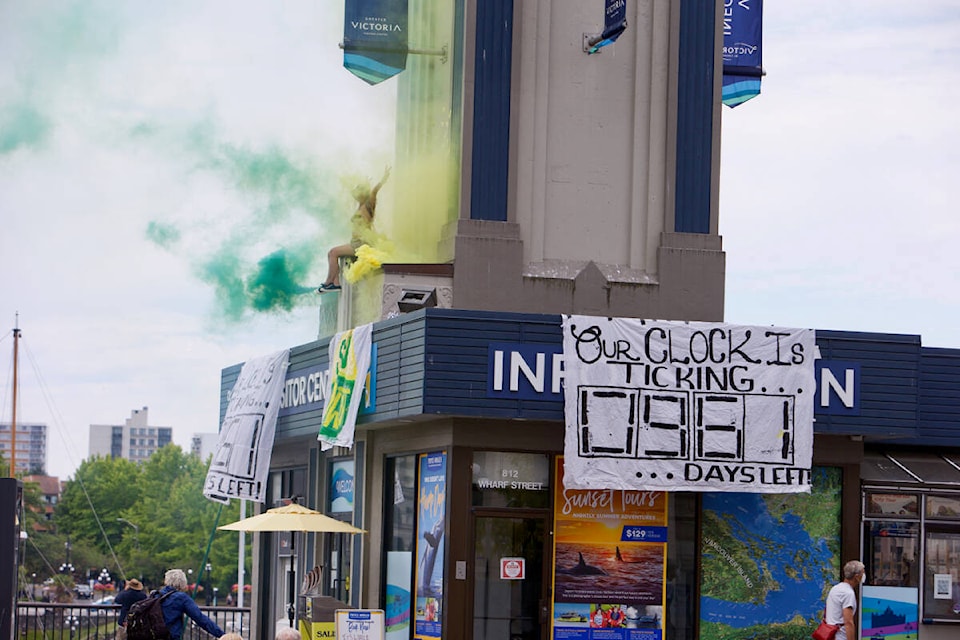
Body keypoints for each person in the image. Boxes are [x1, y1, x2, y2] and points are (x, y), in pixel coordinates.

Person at [318, 165, 391, 292]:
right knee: (337, 255)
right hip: (355, 242)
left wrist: (383, 179)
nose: (356, 195)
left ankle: (329, 282)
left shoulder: (368, 205)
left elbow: (374, 191)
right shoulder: (360, 206)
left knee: (333, 253)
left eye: (359, 192)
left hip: (362, 243)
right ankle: (335, 283)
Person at [157, 569, 225, 640]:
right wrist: (222, 634)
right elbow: (200, 618)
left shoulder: (156, 595)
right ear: (183, 583)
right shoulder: (181, 598)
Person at [825, 560, 866, 640]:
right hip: (840, 636)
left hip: (830, 634)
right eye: (862, 573)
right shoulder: (848, 593)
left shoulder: (835, 588)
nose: (864, 576)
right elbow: (848, 622)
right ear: (856, 576)